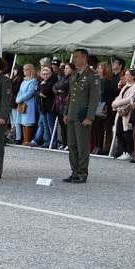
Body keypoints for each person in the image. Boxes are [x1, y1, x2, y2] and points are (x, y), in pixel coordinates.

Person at [63, 49, 100, 184]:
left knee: (82, 145)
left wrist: (90, 117)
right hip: (72, 114)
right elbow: (70, 96)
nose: (74, 60)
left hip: (82, 114)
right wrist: (66, 113)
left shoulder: (92, 76)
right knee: (72, 144)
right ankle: (74, 171)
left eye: (77, 57)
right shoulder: (74, 74)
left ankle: (82, 173)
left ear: (84, 58)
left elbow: (94, 99)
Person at [111, 70, 135, 160]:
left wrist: (118, 103)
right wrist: (114, 103)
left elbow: (130, 98)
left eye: (128, 75)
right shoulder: (126, 86)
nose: (125, 76)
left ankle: (128, 151)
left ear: (133, 76)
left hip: (128, 111)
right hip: (120, 111)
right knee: (118, 131)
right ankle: (123, 150)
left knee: (127, 131)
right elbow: (120, 96)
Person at [31, 66, 56, 148]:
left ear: (50, 74)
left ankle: (53, 143)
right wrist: (39, 91)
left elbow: (45, 92)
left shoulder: (52, 81)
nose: (45, 75)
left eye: (47, 74)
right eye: (43, 74)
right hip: (42, 107)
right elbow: (36, 92)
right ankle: (47, 142)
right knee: (45, 126)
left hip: (49, 107)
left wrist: (40, 89)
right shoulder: (41, 81)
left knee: (51, 126)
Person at [93, 62, 115, 155]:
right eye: (98, 68)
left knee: (100, 126)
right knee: (95, 126)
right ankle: (97, 145)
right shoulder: (97, 80)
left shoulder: (107, 82)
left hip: (103, 105)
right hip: (95, 103)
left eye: (101, 68)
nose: (99, 70)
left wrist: (105, 106)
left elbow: (107, 95)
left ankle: (100, 146)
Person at [16, 64, 38, 147]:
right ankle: (24, 139)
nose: (24, 71)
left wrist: (20, 99)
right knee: (22, 122)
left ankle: (27, 139)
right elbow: (20, 91)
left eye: (26, 70)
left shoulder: (33, 81)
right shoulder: (24, 81)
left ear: (30, 70)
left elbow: (30, 92)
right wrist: (18, 98)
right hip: (22, 103)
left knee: (28, 122)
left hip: (29, 103)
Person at [52, 63, 73, 150]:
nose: (65, 70)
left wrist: (58, 87)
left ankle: (69, 144)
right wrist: (57, 90)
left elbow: (63, 85)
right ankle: (64, 143)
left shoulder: (72, 78)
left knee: (68, 126)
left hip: (67, 104)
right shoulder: (63, 77)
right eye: (65, 68)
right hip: (59, 105)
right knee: (62, 125)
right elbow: (54, 86)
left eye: (67, 68)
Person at [8, 63, 24, 144]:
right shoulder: (13, 79)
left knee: (16, 120)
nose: (14, 71)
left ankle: (18, 137)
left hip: (15, 101)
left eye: (15, 70)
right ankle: (13, 135)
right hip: (11, 101)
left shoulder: (20, 80)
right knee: (12, 120)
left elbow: (15, 89)